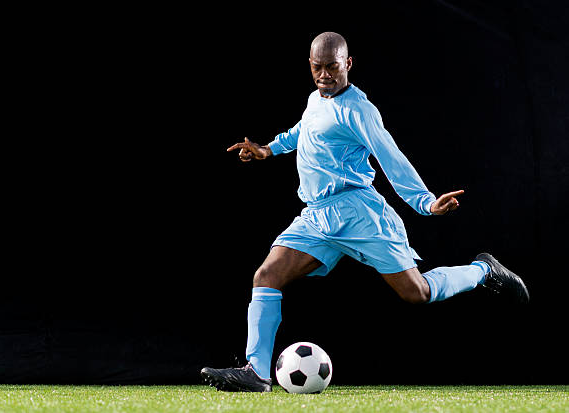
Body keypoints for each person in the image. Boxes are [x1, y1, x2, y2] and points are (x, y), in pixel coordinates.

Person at [201, 32, 529, 392]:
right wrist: (268, 149)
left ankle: (483, 270)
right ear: (310, 65)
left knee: (416, 293)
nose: (324, 74)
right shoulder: (315, 99)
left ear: (348, 64)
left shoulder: (360, 110)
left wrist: (426, 201)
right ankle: (256, 372)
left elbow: (391, 156)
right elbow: (303, 132)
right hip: (317, 216)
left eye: (332, 67)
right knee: (266, 276)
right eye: (317, 67)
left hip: (359, 214)